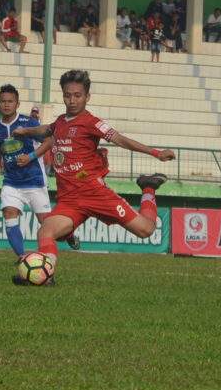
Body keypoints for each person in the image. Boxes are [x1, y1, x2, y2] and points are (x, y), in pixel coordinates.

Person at [12, 70, 175, 286]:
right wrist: (25, 131)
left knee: (146, 230)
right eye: (67, 95)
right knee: (46, 231)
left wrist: (155, 153)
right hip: (70, 199)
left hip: (95, 193)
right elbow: (47, 130)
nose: (72, 100)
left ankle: (148, 188)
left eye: (77, 95)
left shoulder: (91, 122)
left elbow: (120, 139)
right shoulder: (60, 122)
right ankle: (46, 275)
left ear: (87, 97)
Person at [0, 84, 64, 259]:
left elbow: (49, 141)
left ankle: (64, 241)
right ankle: (22, 258)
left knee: (47, 224)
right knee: (9, 214)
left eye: (10, 101)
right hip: (11, 182)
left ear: (17, 104)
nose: (6, 105)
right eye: (3, 101)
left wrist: (31, 156)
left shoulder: (29, 123)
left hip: (34, 180)